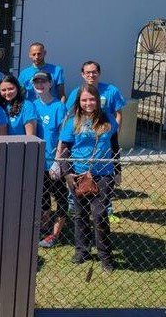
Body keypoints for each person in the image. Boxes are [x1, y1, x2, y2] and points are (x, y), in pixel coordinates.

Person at [56, 83, 120, 272]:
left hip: (104, 172)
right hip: (78, 173)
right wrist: (67, 173)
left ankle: (105, 256)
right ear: (79, 101)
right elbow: (65, 150)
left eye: (91, 99)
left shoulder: (107, 118)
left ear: (97, 101)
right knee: (80, 213)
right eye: (84, 100)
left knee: (100, 214)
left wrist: (118, 171)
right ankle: (82, 250)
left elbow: (115, 145)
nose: (88, 103)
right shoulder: (72, 121)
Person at [31, 71, 69, 249]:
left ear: (50, 84)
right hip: (38, 161)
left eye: (43, 82)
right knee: (43, 197)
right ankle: (44, 228)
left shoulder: (59, 107)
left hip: (54, 161)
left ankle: (55, 234)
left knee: (61, 197)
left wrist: (58, 160)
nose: (40, 85)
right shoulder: (32, 106)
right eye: (36, 82)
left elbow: (64, 135)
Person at [65, 61, 126, 127]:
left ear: (99, 73)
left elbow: (118, 115)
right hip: (83, 133)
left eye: (94, 72)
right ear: (82, 74)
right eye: (88, 72)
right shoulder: (76, 93)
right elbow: (68, 115)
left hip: (106, 133)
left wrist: (115, 134)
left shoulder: (112, 91)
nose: (91, 75)